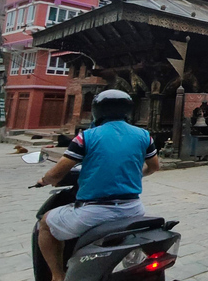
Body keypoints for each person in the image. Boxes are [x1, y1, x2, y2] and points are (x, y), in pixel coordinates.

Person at [35, 90, 160, 281]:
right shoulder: (144, 135)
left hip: (94, 212)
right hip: (133, 209)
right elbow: (154, 167)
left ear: (97, 111)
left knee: (45, 223)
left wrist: (45, 180)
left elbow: (58, 173)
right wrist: (138, 174)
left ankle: (57, 276)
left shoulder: (86, 137)